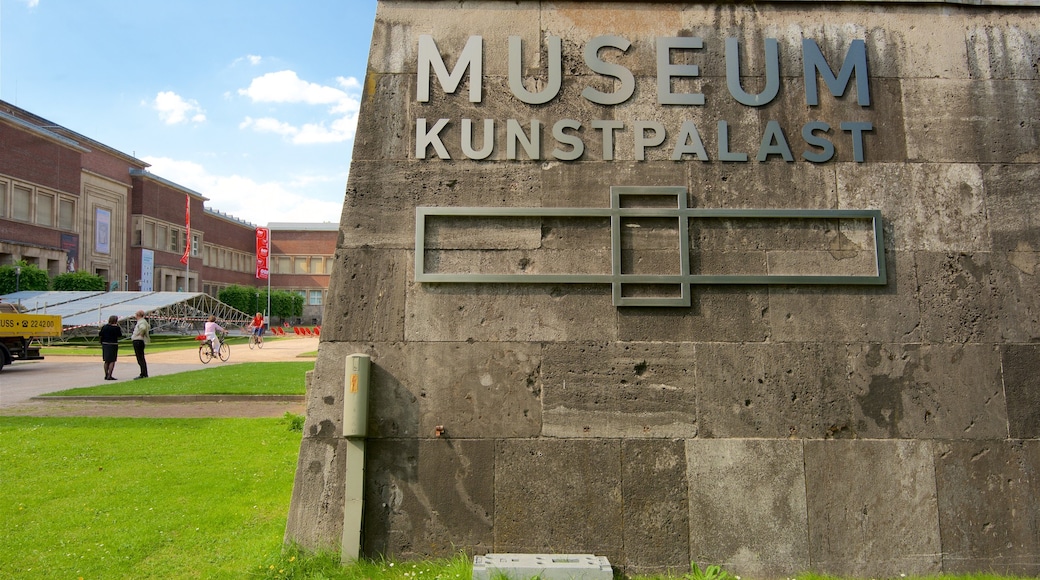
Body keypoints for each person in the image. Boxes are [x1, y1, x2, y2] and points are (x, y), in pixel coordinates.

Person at [98, 314, 123, 380]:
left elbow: (100, 334)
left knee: (106, 360)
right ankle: (110, 375)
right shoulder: (116, 328)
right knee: (112, 360)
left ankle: (106, 374)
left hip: (105, 344)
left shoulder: (105, 327)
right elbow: (120, 335)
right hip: (113, 344)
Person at [131, 310, 151, 379]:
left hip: (138, 341)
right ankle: (144, 373)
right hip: (139, 341)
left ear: (138, 315)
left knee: (140, 358)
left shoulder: (141, 322)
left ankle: (143, 373)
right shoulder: (142, 321)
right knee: (141, 358)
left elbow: (143, 328)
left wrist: (141, 333)